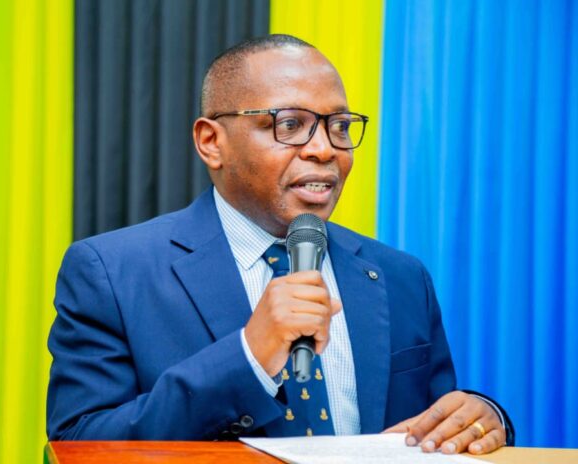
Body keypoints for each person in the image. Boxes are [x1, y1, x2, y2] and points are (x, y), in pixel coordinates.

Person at [47, 34, 513, 455]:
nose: (325, 149)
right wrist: (248, 356)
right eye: (289, 125)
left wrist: (481, 418)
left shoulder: (401, 276)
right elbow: (78, 445)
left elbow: (435, 424)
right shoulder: (111, 272)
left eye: (339, 126)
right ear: (211, 143)